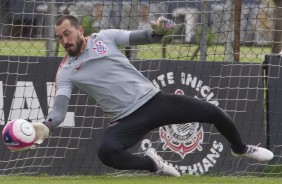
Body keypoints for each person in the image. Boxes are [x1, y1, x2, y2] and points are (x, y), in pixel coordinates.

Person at [32, 15, 274, 177]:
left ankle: (241, 149)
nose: (64, 41)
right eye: (60, 37)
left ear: (79, 30)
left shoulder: (104, 37)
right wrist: (47, 125)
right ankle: (153, 163)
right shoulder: (65, 70)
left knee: (213, 112)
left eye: (67, 34)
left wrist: (158, 32)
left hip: (155, 102)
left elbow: (146, 37)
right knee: (107, 152)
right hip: (126, 120)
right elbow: (59, 110)